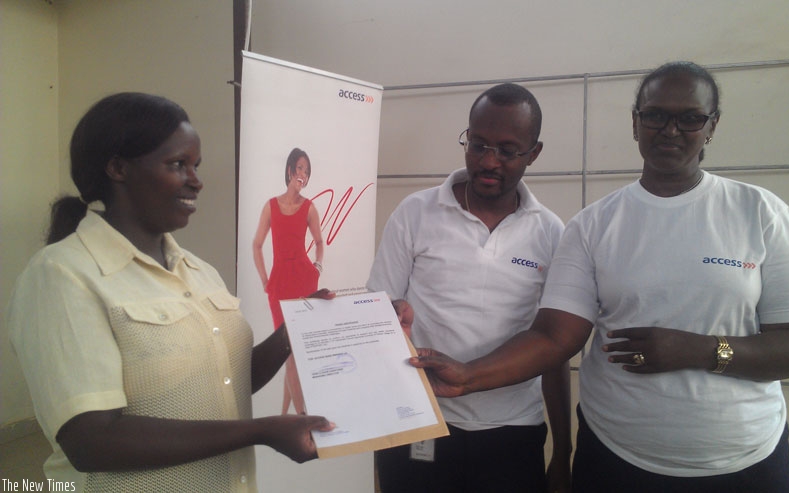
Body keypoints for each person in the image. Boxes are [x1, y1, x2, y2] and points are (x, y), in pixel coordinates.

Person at [410, 62, 789, 492]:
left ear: (712, 126)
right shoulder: (592, 225)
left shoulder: (759, 213)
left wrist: (702, 350)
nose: (670, 130)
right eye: (655, 115)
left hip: (744, 463)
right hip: (615, 460)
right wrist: (468, 375)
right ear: (636, 122)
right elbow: (554, 338)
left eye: (690, 118)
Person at [6, 93, 334, 492]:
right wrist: (259, 431)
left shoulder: (199, 271)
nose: (196, 180)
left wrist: (298, 327)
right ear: (117, 168)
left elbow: (227, 381)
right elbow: (91, 440)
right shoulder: (61, 275)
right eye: (178, 165)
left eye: (195, 166)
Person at [367, 83, 571, 493]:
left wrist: (563, 451)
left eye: (508, 150)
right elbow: (378, 319)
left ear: (534, 152)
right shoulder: (415, 213)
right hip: (420, 423)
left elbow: (554, 350)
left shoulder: (551, 233)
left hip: (512, 433)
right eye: (477, 144)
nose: (488, 161)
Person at [252, 147, 324, 415]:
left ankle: (291, 415)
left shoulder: (309, 207)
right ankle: (298, 416)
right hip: (279, 284)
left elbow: (319, 242)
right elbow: (257, 245)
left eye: (306, 170)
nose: (302, 174)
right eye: (299, 168)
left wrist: (317, 268)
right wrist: (264, 279)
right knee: (288, 352)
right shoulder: (271, 206)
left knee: (294, 354)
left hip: (304, 282)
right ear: (290, 170)